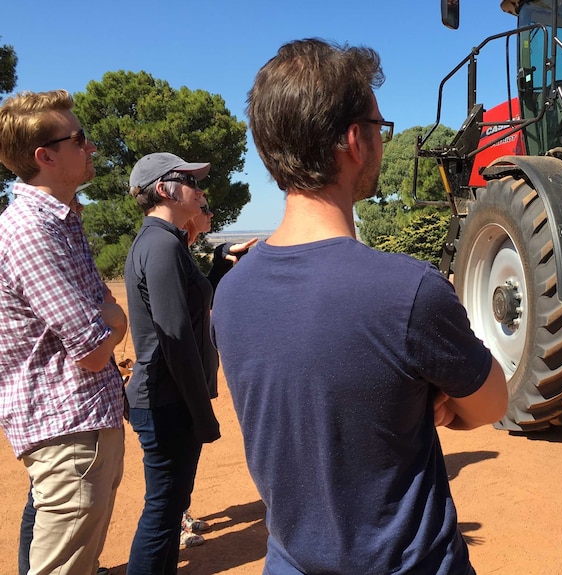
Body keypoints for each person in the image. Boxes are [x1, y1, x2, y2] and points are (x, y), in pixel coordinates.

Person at [211, 38, 509, 574]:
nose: (380, 139)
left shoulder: (231, 293)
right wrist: (434, 401)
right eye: (379, 126)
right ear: (354, 139)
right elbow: (491, 404)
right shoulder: (407, 290)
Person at [0, 90, 127, 574]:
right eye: (79, 139)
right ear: (45, 156)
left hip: (81, 426)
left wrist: (106, 317)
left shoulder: (61, 222)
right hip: (69, 432)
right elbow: (95, 347)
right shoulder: (33, 232)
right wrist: (112, 320)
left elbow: (102, 318)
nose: (91, 146)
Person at [124, 152, 221, 574]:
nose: (200, 190)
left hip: (168, 397)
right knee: (162, 514)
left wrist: (219, 263)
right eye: (190, 181)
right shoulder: (162, 245)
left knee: (168, 507)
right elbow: (176, 336)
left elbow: (189, 312)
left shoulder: (165, 241)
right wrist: (203, 414)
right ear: (163, 189)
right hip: (166, 401)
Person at [178, 200, 256, 549]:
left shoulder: (181, 250)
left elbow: (203, 294)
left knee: (185, 451)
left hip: (193, 374)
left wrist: (222, 255)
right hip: (179, 379)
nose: (211, 212)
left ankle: (179, 510)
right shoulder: (167, 249)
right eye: (205, 206)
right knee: (173, 454)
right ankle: (173, 520)